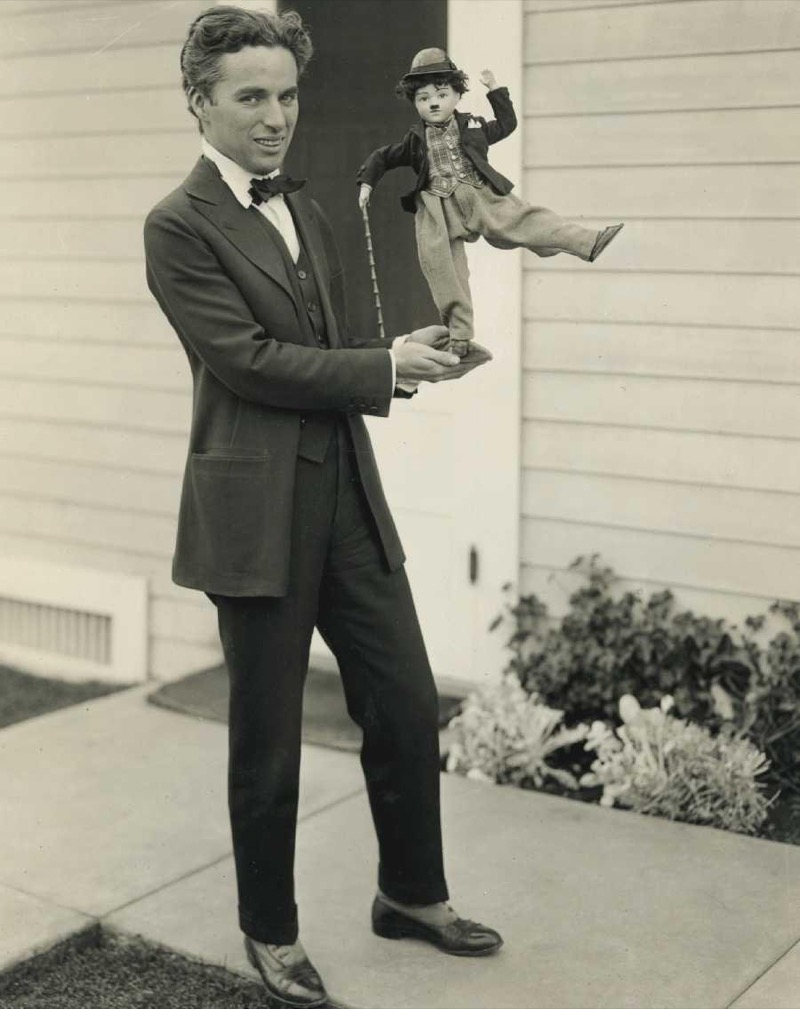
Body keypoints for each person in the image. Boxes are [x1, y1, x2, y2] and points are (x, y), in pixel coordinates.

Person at [143, 7, 501, 1008]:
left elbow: (337, 354)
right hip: (253, 508)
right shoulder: (175, 225)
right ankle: (271, 929)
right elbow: (248, 363)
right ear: (199, 103)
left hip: (343, 486)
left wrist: (415, 355)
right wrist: (378, 365)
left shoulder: (307, 209)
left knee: (403, 695)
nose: (274, 118)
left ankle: (411, 894)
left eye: (286, 96)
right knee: (268, 734)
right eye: (249, 97)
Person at [357, 48, 624, 357]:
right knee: (441, 266)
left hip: (479, 195)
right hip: (436, 208)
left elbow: (507, 124)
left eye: (441, 94)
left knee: (528, 221)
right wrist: (366, 183)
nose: (433, 102)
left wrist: (495, 91)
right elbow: (383, 157)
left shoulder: (474, 127)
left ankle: (588, 241)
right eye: (423, 98)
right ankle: (459, 336)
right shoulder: (415, 140)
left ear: (457, 95)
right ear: (415, 103)